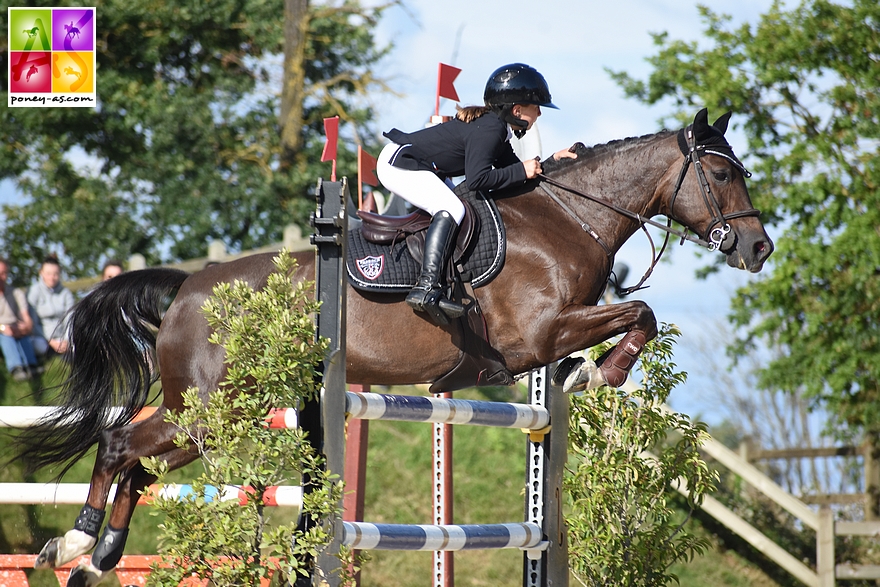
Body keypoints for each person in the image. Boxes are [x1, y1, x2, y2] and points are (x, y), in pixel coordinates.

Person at [376, 63, 577, 325]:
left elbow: (514, 173)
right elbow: (478, 180)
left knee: (459, 208)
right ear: (516, 110)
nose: (539, 112)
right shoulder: (491, 129)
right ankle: (426, 287)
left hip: (417, 164)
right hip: (398, 163)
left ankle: (442, 282)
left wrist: (551, 163)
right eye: (536, 107)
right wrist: (523, 171)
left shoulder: (498, 130)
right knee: (453, 209)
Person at [0, 257, 40, 381]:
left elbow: (26, 316)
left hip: (15, 327)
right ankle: (16, 367)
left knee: (21, 333)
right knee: (6, 336)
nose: (1, 277)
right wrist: (3, 328)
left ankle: (31, 365)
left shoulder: (16, 293)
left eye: (3, 273)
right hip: (2, 331)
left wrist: (26, 327)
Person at [28, 255, 75, 358]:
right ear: (41, 273)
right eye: (48, 273)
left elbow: (70, 319)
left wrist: (66, 339)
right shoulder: (34, 292)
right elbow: (33, 323)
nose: (52, 278)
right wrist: (50, 340)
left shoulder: (66, 293)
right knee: (36, 345)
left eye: (55, 274)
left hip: (62, 337)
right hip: (41, 337)